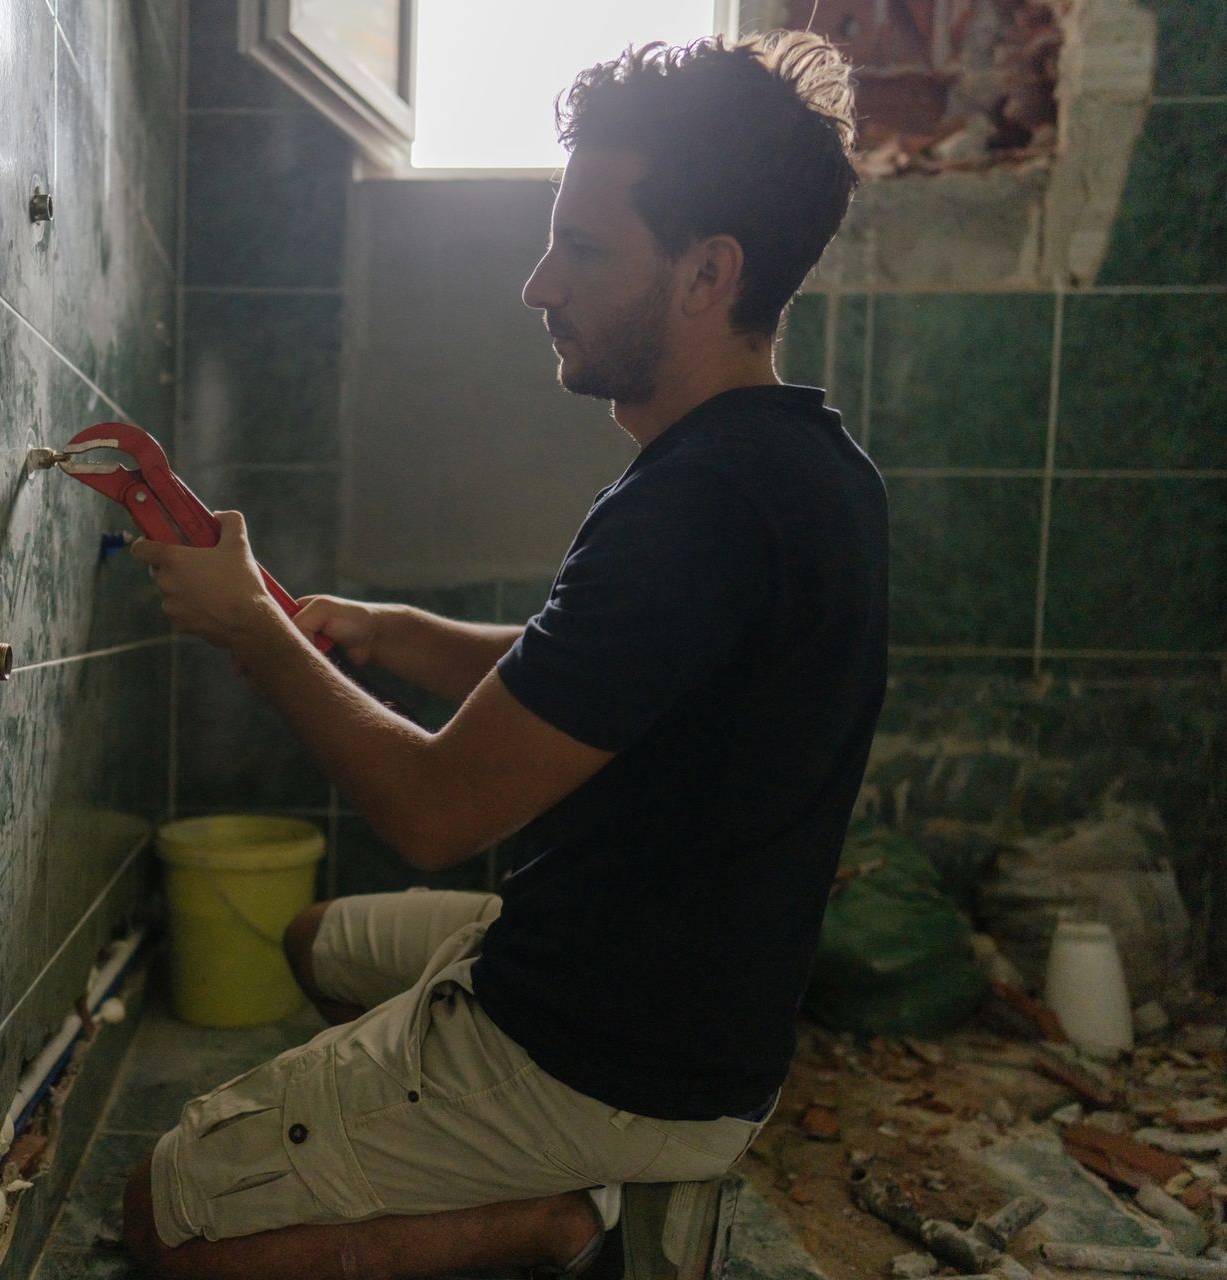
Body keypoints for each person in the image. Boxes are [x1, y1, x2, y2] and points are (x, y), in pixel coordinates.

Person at [119, 31, 886, 1280]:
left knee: (166, 1216)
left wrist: (249, 630)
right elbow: (586, 682)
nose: (539, 284)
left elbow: (431, 807)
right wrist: (376, 628)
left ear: (708, 273)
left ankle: (558, 1218)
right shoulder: (802, 468)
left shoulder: (692, 508)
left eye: (581, 247)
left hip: (601, 1051)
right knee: (313, 939)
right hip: (678, 1004)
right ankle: (542, 1172)